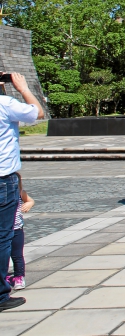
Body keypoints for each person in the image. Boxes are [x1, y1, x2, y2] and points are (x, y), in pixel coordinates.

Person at [0, 72, 44, 311]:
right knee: (3, 236)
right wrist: (24, 88)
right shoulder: (5, 103)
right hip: (2, 179)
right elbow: (37, 113)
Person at [6, 172, 33, 291]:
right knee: (4, 255)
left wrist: (28, 204)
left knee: (17, 255)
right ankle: (4, 276)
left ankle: (19, 277)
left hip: (17, 229)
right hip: (4, 230)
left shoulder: (19, 193)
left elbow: (30, 200)